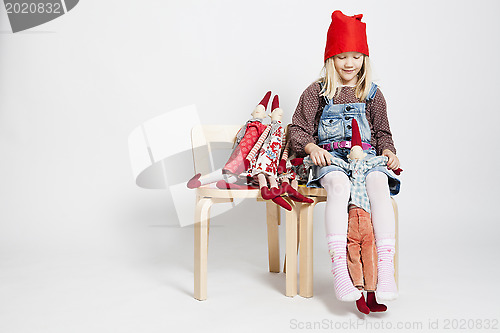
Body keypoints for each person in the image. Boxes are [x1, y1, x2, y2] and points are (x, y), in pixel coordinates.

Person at [289, 10, 401, 303]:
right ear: (330, 59)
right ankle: (339, 265)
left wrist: (388, 152)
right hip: (332, 161)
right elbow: (297, 129)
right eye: (341, 57)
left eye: (356, 56)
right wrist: (313, 149)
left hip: (366, 160)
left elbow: (383, 134)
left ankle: (385, 267)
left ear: (365, 58)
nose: (349, 63)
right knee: (339, 186)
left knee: (378, 184)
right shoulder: (317, 93)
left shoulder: (373, 94)